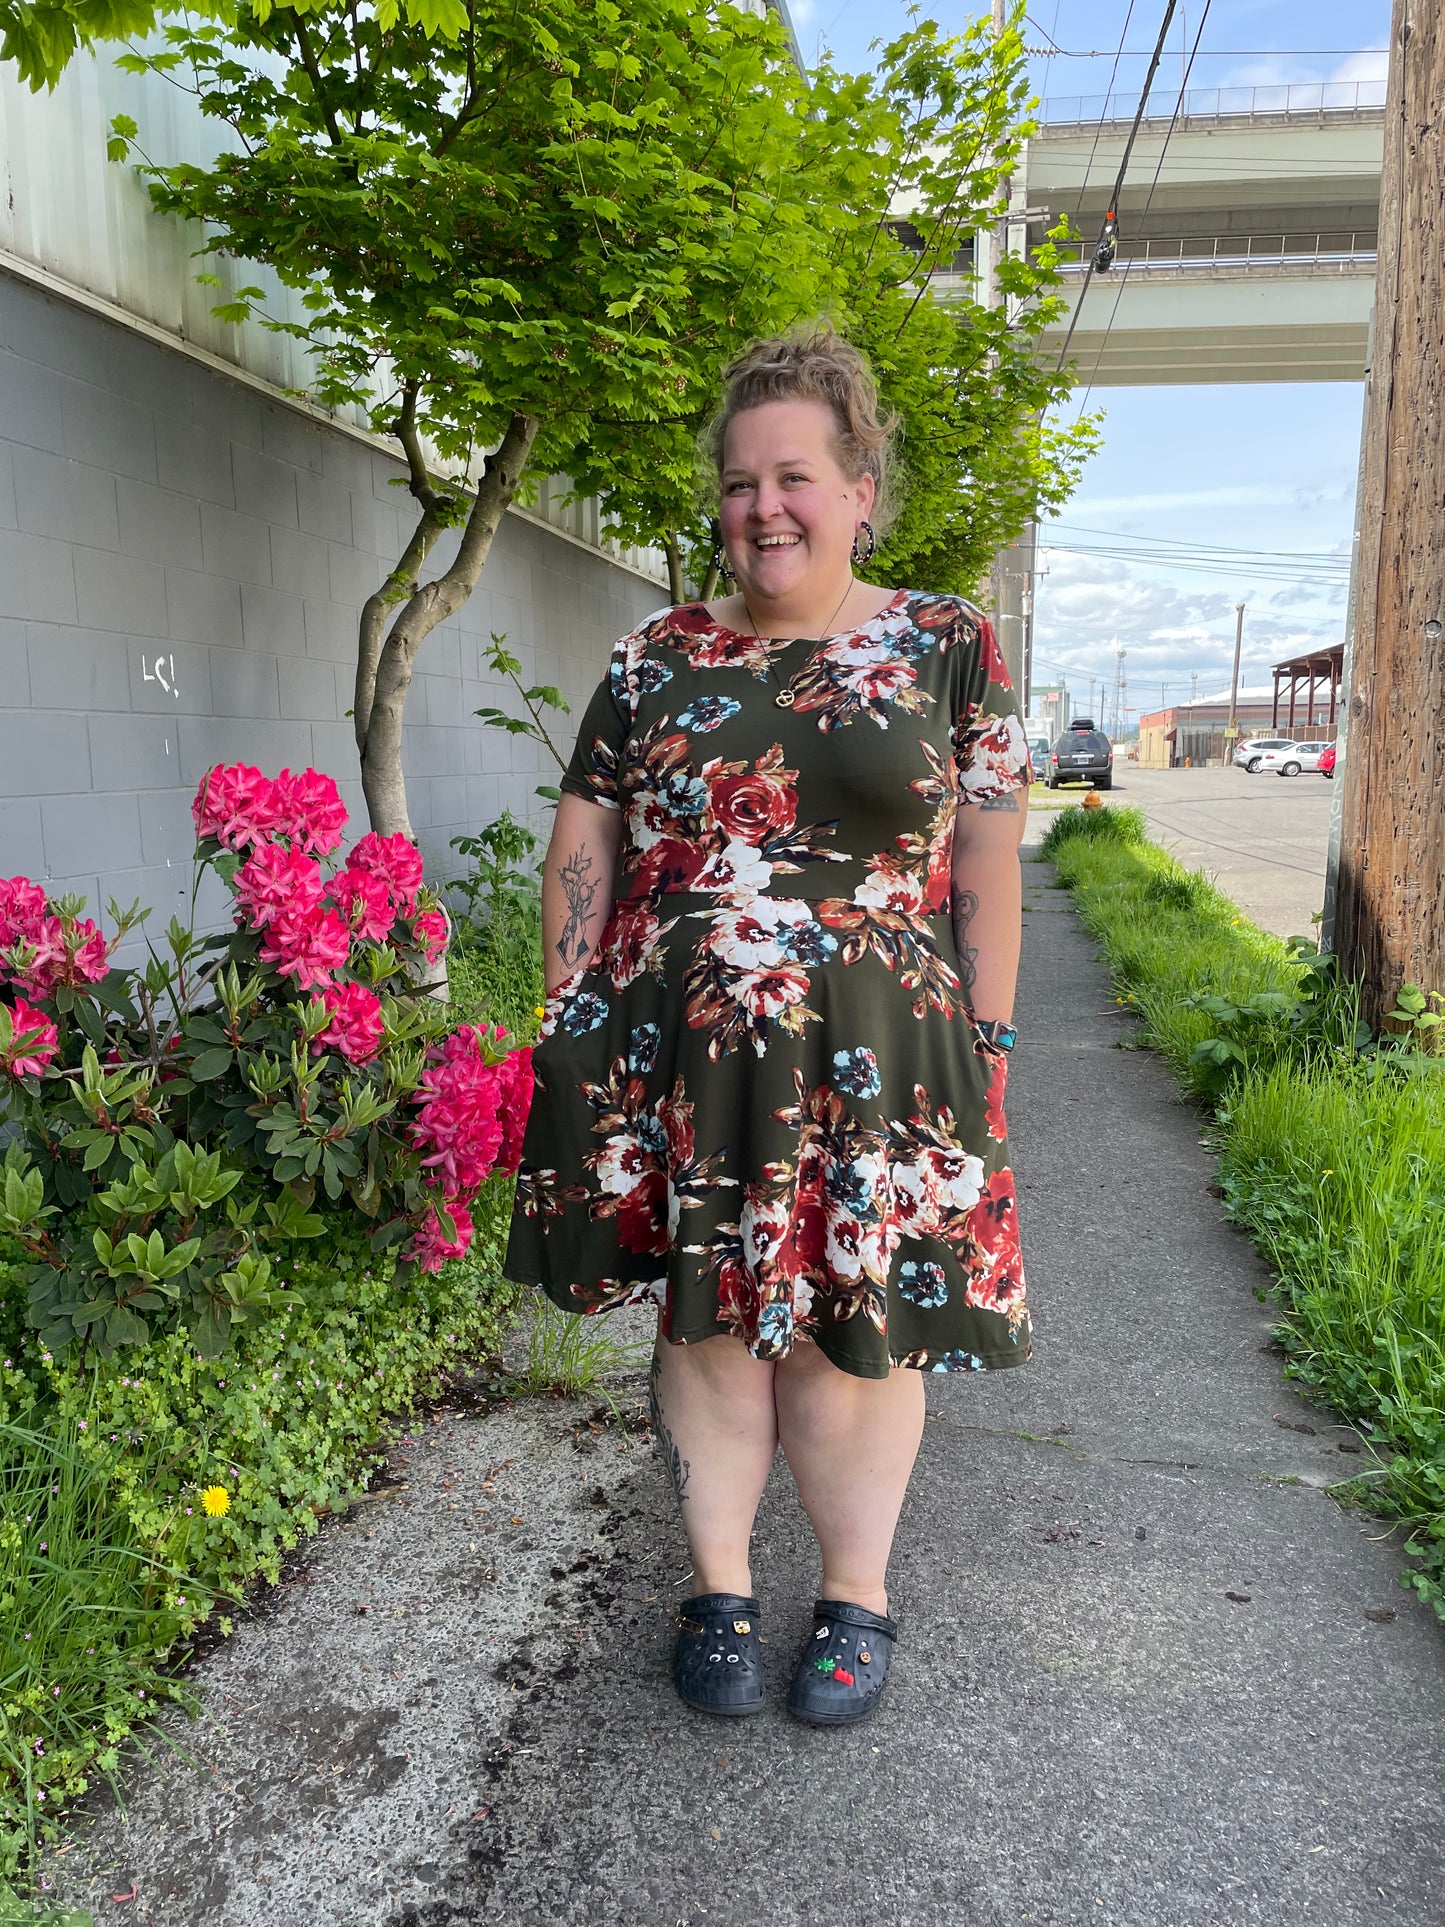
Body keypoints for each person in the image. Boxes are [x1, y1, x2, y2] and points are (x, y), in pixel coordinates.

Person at [506, 328, 1031, 1726]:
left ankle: (855, 1601)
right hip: (679, 1058)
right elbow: (586, 836)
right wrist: (566, 1020)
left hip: (886, 1060)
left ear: (862, 486)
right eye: (739, 483)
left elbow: (983, 859)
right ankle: (719, 1591)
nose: (762, 509)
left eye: (793, 475)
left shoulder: (946, 644)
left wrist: (989, 1046)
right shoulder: (649, 657)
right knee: (708, 1328)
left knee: (856, 1330)